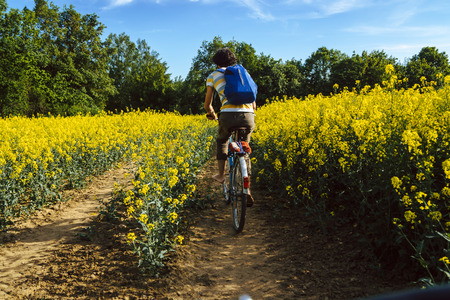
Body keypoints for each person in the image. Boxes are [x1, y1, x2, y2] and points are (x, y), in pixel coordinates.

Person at [204, 47, 256, 206]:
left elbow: (208, 104)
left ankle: (221, 175)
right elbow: (253, 101)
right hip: (248, 116)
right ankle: (247, 188)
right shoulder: (243, 72)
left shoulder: (213, 75)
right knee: (244, 148)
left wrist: (211, 113)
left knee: (222, 141)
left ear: (216, 62)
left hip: (227, 115)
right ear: (232, 60)